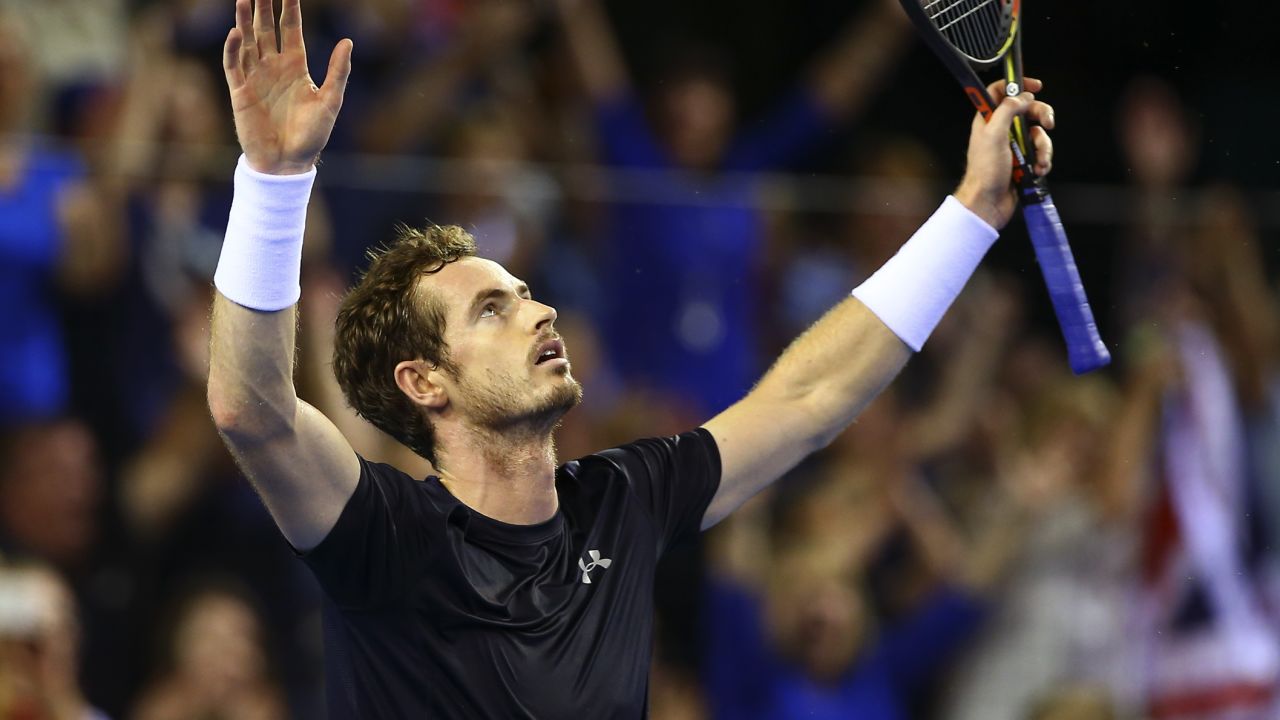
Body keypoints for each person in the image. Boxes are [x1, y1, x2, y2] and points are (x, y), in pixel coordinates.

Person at [206, 0, 1055, 716]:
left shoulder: (622, 501)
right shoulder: (385, 533)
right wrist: (274, 181)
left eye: (526, 291)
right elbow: (254, 413)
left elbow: (809, 396)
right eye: (491, 309)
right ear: (424, 382)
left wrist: (975, 208)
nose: (539, 308)